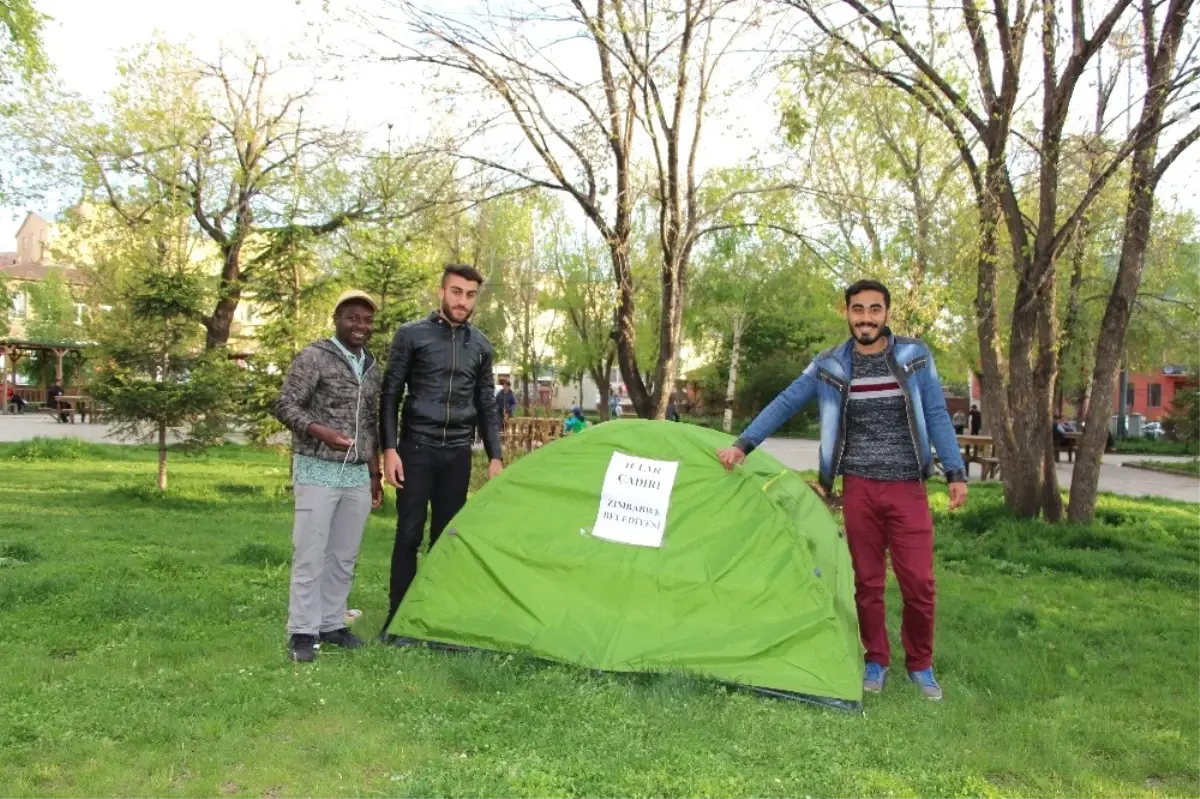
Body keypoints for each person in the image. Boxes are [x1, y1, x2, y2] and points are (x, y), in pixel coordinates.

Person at [715, 279, 967, 701]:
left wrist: (956, 471)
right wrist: (743, 443)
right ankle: (876, 660)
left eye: (874, 309)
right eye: (857, 309)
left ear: (887, 313)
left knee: (919, 583)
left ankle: (920, 665)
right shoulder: (830, 364)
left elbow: (937, 412)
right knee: (866, 581)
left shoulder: (914, 356)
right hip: (859, 487)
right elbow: (786, 401)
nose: (866, 318)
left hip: (907, 487)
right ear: (846, 313)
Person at [378, 264, 505, 641]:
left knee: (446, 538)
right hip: (416, 448)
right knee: (408, 534)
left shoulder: (481, 346)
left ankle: (435, 618)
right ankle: (398, 621)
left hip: (457, 454)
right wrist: (389, 449)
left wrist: (496, 456)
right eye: (456, 292)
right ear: (442, 291)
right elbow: (390, 395)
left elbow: (486, 404)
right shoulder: (411, 335)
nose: (462, 301)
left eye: (469, 295)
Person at [272, 290, 384, 663]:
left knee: (344, 556)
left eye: (367, 320)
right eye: (353, 318)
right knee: (310, 554)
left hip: (356, 475)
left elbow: (370, 422)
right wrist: (322, 432)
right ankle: (302, 632)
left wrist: (374, 473)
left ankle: (332, 623)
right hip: (317, 469)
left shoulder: (371, 364)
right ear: (337, 318)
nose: (361, 326)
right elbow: (285, 405)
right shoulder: (314, 356)